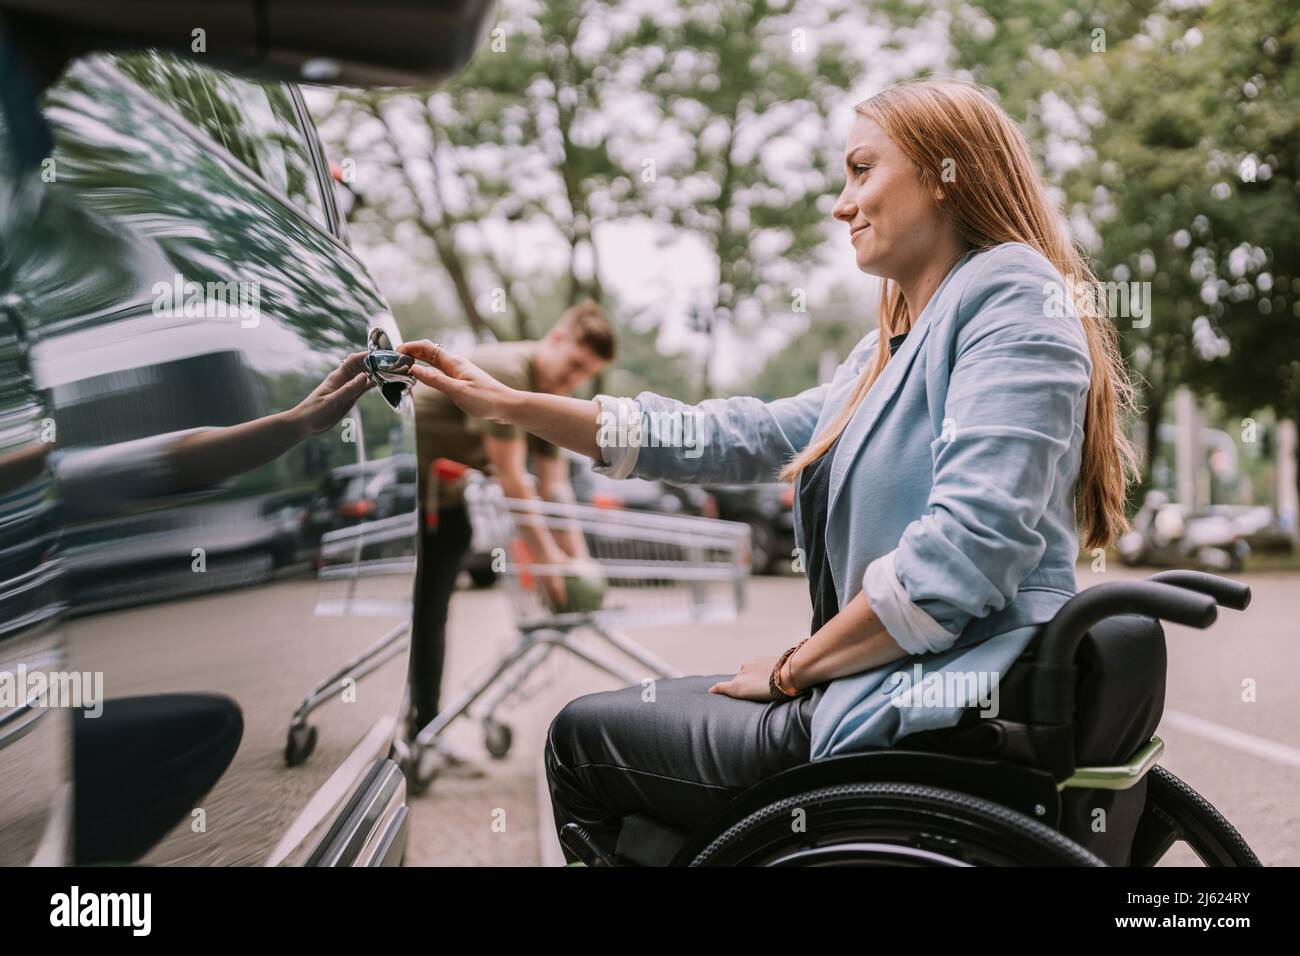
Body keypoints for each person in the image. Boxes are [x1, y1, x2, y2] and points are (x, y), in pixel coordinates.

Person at [397, 77, 1138, 859]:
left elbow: (967, 551)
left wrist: (794, 670)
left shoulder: (1009, 290)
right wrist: (512, 405)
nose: (840, 203)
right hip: (897, 688)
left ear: (942, 173)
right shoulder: (887, 348)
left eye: (861, 170)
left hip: (948, 706)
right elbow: (733, 433)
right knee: (642, 738)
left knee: (584, 741)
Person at [404, 303, 615, 777]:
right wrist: (550, 564)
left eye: (587, 375)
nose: (574, 380)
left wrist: (576, 561)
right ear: (557, 337)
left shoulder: (545, 391)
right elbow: (514, 479)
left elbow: (554, 484)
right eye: (576, 365)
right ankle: (423, 734)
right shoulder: (505, 371)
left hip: (447, 498)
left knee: (432, 613)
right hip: (414, 494)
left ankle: (424, 731)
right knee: (428, 614)